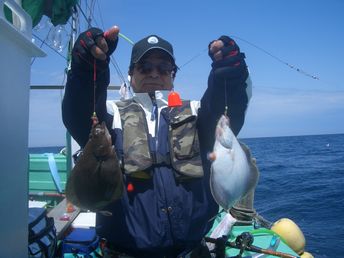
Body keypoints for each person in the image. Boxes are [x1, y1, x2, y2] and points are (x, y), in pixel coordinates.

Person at [62, 25, 251, 257]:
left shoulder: (196, 112)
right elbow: (78, 110)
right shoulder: (111, 115)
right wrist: (87, 67)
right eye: (145, 67)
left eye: (163, 68)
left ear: (173, 74)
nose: (154, 74)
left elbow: (228, 109)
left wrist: (230, 74)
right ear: (131, 73)